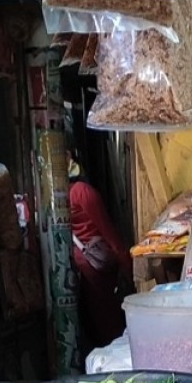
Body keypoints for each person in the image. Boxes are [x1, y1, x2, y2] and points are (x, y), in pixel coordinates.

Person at [68, 148, 133, 353]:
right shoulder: (81, 192)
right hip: (96, 268)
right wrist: (128, 266)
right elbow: (108, 232)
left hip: (84, 262)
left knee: (98, 321)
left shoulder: (66, 195)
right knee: (109, 324)